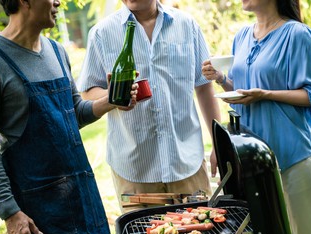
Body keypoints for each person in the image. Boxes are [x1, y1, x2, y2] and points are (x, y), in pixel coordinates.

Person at [0, 0, 137, 234]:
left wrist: (110, 101)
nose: (58, 2)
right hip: (38, 215)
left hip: (84, 200)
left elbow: (74, 112)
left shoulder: (57, 51)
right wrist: (9, 211)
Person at [202, 0, 311, 234]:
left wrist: (265, 95)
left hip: (295, 156)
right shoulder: (242, 36)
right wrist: (221, 79)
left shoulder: (298, 35)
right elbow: (243, 90)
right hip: (256, 165)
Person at [77, 0, 221, 213]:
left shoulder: (187, 26)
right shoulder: (102, 33)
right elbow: (88, 91)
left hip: (186, 162)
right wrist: (115, 97)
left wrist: (218, 144)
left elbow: (204, 86)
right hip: (134, 169)